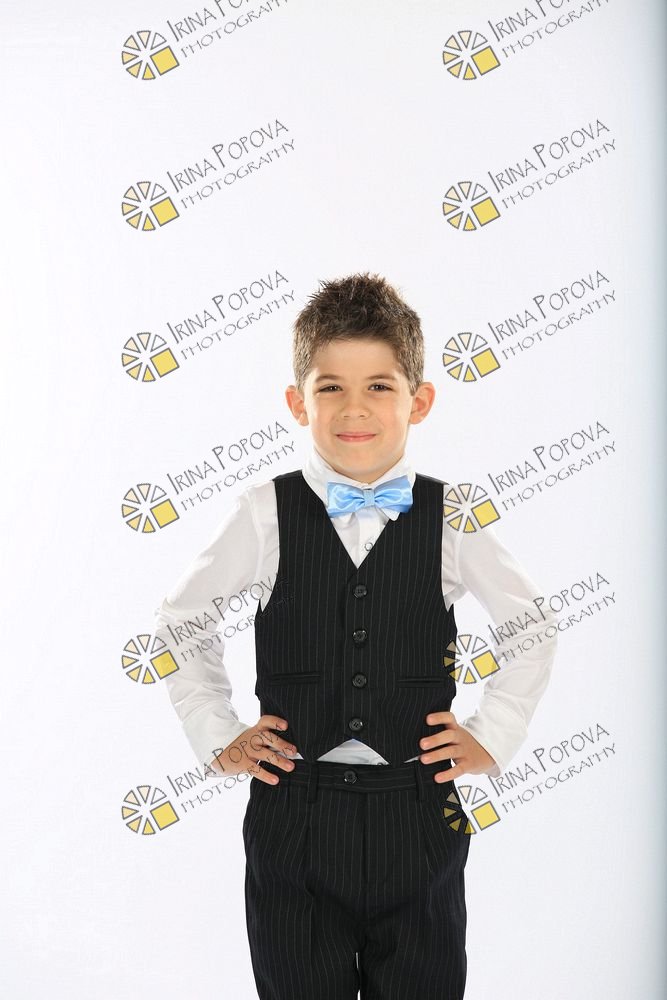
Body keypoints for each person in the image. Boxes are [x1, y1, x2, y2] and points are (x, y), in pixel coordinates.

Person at [153, 272, 558, 999]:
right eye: (330, 387)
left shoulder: (453, 515)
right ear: (297, 402)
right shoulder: (264, 512)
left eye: (378, 386)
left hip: (418, 812)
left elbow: (531, 623)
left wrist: (491, 733)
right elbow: (183, 621)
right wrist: (218, 733)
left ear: (418, 401)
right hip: (294, 813)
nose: (354, 408)